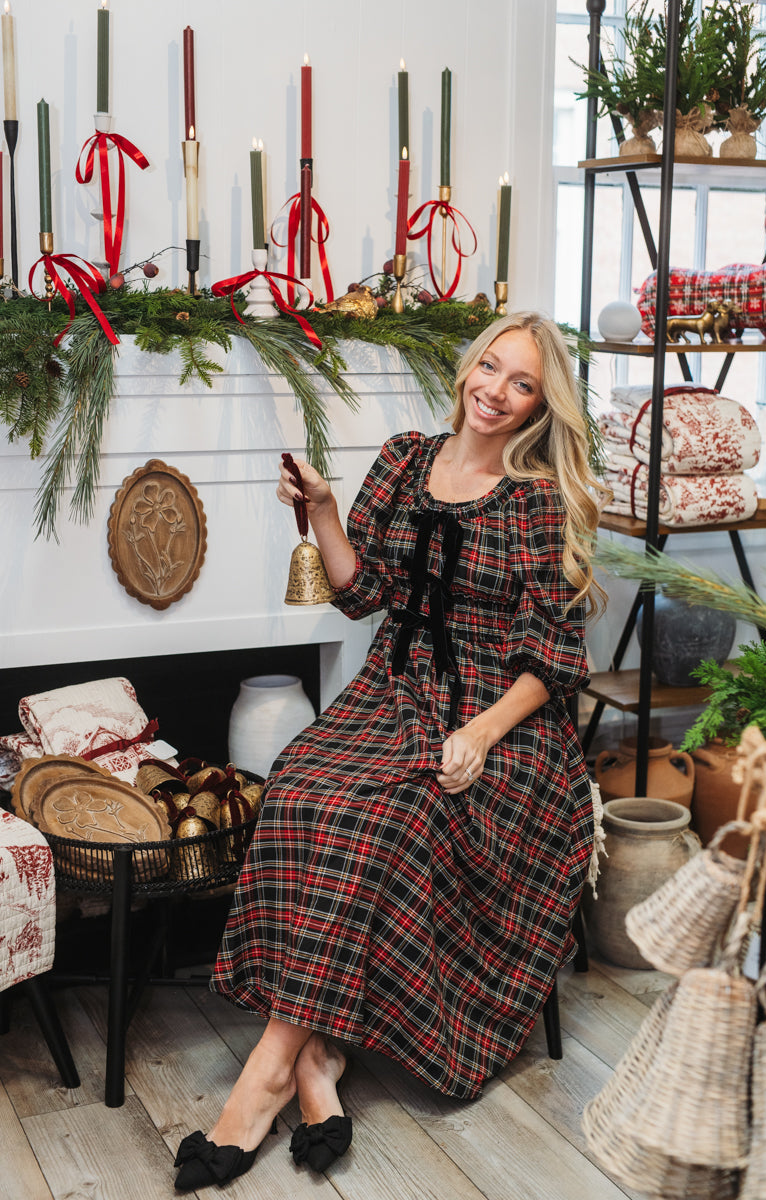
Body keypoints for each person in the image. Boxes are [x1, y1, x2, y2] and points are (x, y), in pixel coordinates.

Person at [173, 311, 607, 1190]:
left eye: (521, 383)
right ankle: (316, 1061)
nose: (497, 391)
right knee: (298, 783)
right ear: (467, 369)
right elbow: (360, 590)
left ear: (537, 406)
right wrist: (327, 510)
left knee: (385, 816)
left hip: (506, 725)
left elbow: (554, 662)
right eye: (491, 367)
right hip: (393, 692)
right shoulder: (407, 459)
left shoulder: (536, 499)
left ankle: (265, 1075)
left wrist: (480, 735)